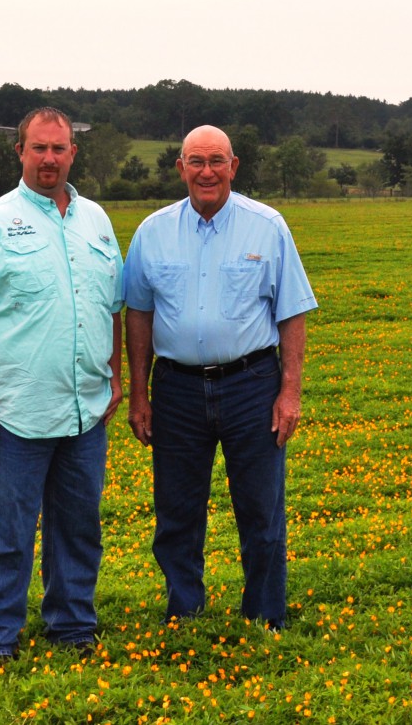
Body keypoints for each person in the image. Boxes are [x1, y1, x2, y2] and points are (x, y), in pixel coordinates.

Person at [0, 107, 123, 661]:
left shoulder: (96, 221)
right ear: (19, 152)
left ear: (73, 153)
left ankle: (72, 630)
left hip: (84, 411)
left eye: (58, 148)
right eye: (38, 148)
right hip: (13, 413)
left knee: (79, 530)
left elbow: (110, 302)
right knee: (5, 535)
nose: (49, 159)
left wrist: (113, 375)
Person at [123, 125, 317, 630]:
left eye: (216, 160)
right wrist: (139, 395)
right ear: (180, 168)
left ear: (234, 166)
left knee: (261, 512)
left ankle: (264, 617)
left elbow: (292, 313)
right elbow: (138, 315)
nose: (206, 171)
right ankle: (184, 611)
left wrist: (289, 392)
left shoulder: (268, 226)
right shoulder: (152, 231)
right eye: (195, 161)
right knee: (177, 513)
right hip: (177, 390)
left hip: (252, 385)